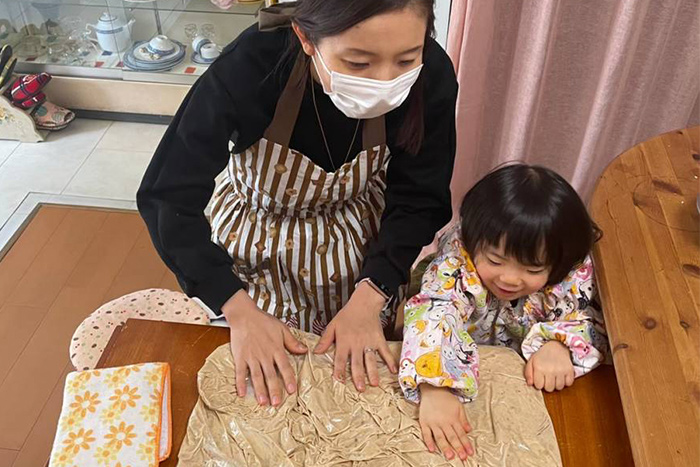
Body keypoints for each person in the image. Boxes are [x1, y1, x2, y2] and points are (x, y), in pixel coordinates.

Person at [137, 0, 458, 408]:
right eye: (359, 63)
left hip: (358, 250)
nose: (385, 81)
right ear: (306, 38)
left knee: (352, 391)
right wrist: (238, 310)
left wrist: (370, 295)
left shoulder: (433, 75)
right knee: (259, 393)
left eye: (406, 59)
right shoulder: (252, 65)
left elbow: (420, 196)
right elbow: (168, 195)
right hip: (256, 243)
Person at [398, 164, 609, 461]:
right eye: (495, 261)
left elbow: (597, 320)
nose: (509, 279)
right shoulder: (458, 260)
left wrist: (561, 344)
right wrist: (435, 387)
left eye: (533, 269)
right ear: (473, 242)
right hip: (466, 369)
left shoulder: (570, 271)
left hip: (523, 388)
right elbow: (434, 308)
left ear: (559, 264)